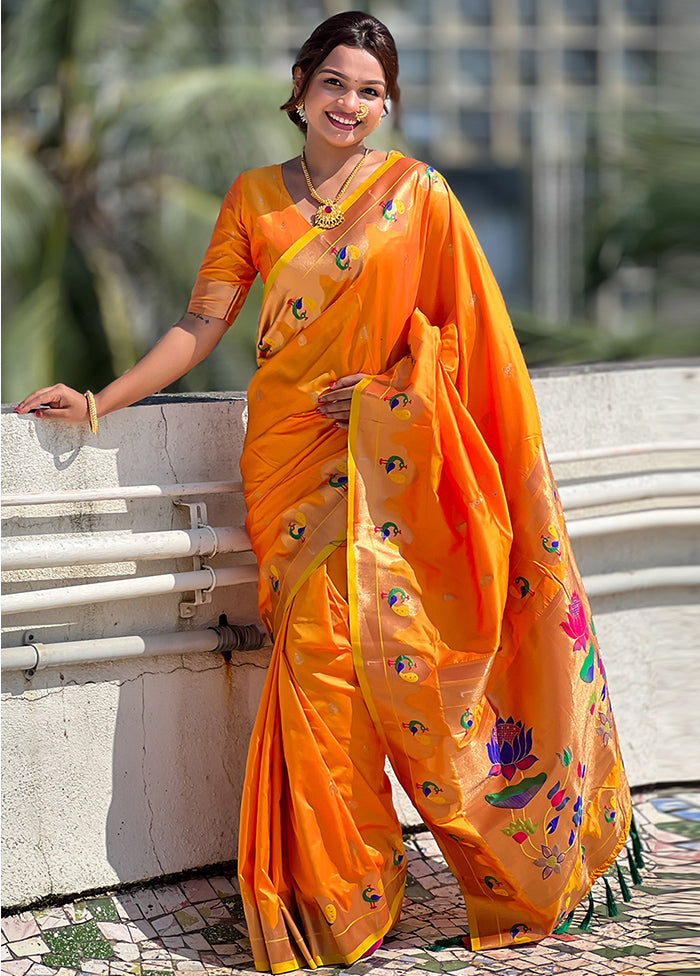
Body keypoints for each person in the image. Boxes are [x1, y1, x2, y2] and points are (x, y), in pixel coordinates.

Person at [15, 11, 632, 974]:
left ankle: (390, 875)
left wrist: (394, 396)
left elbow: (472, 342)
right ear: (301, 86)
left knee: (368, 653)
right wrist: (99, 400)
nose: (352, 105)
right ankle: (342, 893)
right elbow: (198, 324)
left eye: (372, 92)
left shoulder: (419, 196)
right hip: (289, 461)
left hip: (389, 468)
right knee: (317, 651)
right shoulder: (255, 197)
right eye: (337, 83)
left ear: (388, 105)